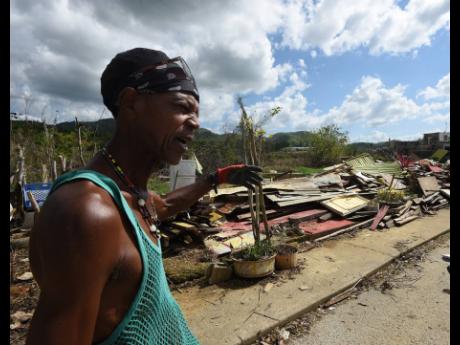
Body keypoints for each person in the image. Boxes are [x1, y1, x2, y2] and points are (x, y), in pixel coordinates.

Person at [26, 48, 262, 345]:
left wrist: (216, 178)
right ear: (131, 102)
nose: (196, 122)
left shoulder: (132, 196)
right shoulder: (86, 213)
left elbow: (166, 205)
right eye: (182, 106)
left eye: (197, 113)